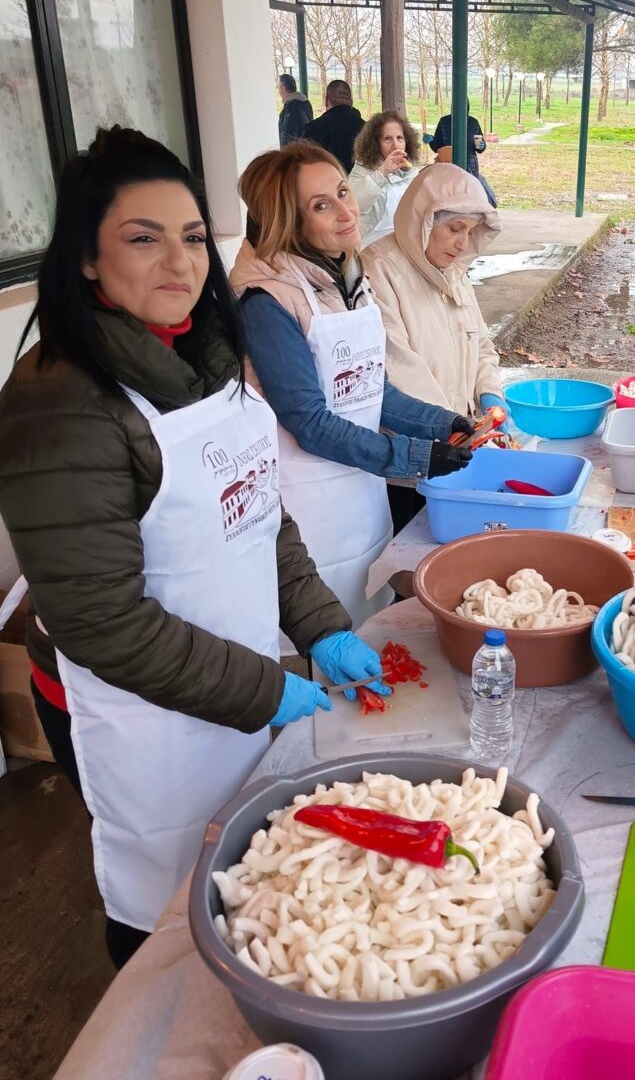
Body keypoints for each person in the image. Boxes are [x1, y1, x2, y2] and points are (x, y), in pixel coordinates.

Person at [0, 127, 390, 969]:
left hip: (231, 683)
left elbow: (257, 513)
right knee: (163, 911)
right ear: (86, 260)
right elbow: (101, 621)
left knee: (240, 890)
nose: (178, 264)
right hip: (138, 718)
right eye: (142, 239)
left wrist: (321, 627)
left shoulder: (206, 353)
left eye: (189, 238)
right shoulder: (60, 402)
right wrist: (265, 690)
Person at [230, 142, 475, 628]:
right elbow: (310, 422)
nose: (347, 212)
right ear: (288, 221)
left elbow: (371, 389)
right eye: (322, 206)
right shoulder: (266, 299)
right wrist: (415, 456)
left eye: (343, 193)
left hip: (360, 494)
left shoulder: (346, 276)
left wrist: (446, 423)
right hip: (305, 509)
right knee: (322, 642)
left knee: (372, 627)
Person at [360, 163, 506, 529]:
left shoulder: (453, 272)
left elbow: (481, 344)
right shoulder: (379, 270)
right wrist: (461, 432)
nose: (462, 243)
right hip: (412, 459)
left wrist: (490, 394)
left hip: (460, 448)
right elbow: (399, 368)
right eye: (454, 229)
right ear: (422, 221)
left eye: (470, 231)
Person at [349, 109, 422, 247]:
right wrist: (382, 173)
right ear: (375, 144)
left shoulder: (412, 173)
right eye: (387, 139)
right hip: (371, 252)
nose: (395, 145)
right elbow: (355, 204)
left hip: (404, 250)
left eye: (400, 138)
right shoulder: (362, 170)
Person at [428, 103, 496, 207]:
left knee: (471, 192)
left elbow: (480, 148)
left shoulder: (473, 123)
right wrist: (431, 141)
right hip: (447, 164)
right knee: (450, 193)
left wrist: (481, 146)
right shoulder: (444, 122)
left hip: (470, 165)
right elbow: (437, 147)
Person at [302, 79, 365, 171]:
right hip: (361, 183)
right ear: (351, 101)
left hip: (326, 183)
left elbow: (304, 165)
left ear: (326, 101)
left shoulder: (313, 129)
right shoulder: (367, 129)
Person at [277, 73, 313, 145]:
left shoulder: (291, 109)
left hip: (295, 153)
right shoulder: (305, 103)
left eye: (278, 87)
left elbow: (288, 138)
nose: (278, 91)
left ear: (283, 89)